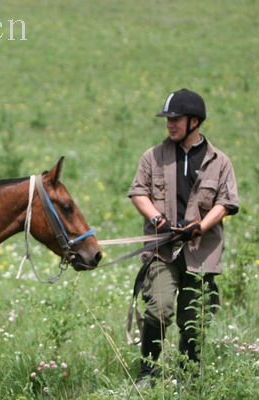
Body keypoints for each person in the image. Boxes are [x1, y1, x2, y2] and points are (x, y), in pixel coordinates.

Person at [128, 88, 239, 385]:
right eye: (168, 120)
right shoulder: (152, 156)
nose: (170, 125)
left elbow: (226, 203)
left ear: (194, 121)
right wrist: (157, 219)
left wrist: (200, 226)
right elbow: (138, 192)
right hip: (161, 250)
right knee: (159, 310)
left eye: (176, 119)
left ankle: (188, 376)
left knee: (193, 319)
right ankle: (148, 372)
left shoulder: (220, 161)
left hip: (201, 252)